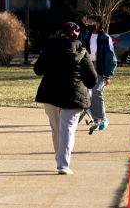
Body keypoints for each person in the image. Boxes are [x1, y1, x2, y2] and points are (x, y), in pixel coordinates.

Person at [34, 21, 98, 175]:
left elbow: (38, 70)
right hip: (73, 95)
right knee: (67, 129)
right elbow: (92, 79)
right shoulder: (82, 51)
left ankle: (59, 160)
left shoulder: (50, 48)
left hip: (50, 93)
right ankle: (63, 164)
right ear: (77, 34)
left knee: (56, 129)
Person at [81, 14, 116, 132]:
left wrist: (108, 75)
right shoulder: (85, 36)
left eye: (90, 22)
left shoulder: (105, 38)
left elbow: (110, 56)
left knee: (97, 93)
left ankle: (103, 119)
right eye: (87, 22)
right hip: (87, 66)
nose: (88, 25)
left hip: (99, 67)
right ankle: (95, 120)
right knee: (86, 94)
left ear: (98, 23)